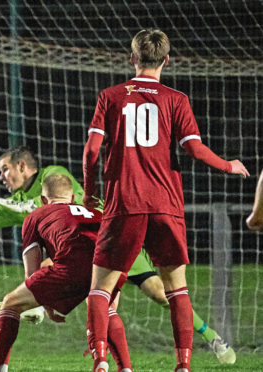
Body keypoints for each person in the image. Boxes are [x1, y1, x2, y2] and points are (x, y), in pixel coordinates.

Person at [0, 145, 235, 360]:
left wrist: (26, 208)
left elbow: (72, 201)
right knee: (101, 300)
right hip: (84, 255)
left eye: (5, 169)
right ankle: (109, 361)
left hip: (108, 236)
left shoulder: (51, 175)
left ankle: (212, 337)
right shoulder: (15, 205)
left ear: (22, 166)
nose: (1, 177)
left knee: (160, 293)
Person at [83, 29, 249, 372]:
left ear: (133, 59)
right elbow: (195, 150)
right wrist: (228, 164)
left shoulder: (111, 96)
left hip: (124, 202)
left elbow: (91, 151)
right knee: (177, 289)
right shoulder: (176, 99)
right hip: (165, 204)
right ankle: (184, 366)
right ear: (166, 61)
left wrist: (88, 192)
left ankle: (101, 361)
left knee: (100, 291)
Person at [0, 173, 131, 372]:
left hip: (74, 265)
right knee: (107, 310)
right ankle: (124, 368)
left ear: (43, 200)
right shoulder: (95, 212)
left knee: (9, 304)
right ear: (73, 198)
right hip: (114, 263)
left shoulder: (36, 216)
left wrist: (44, 303)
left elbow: (32, 272)